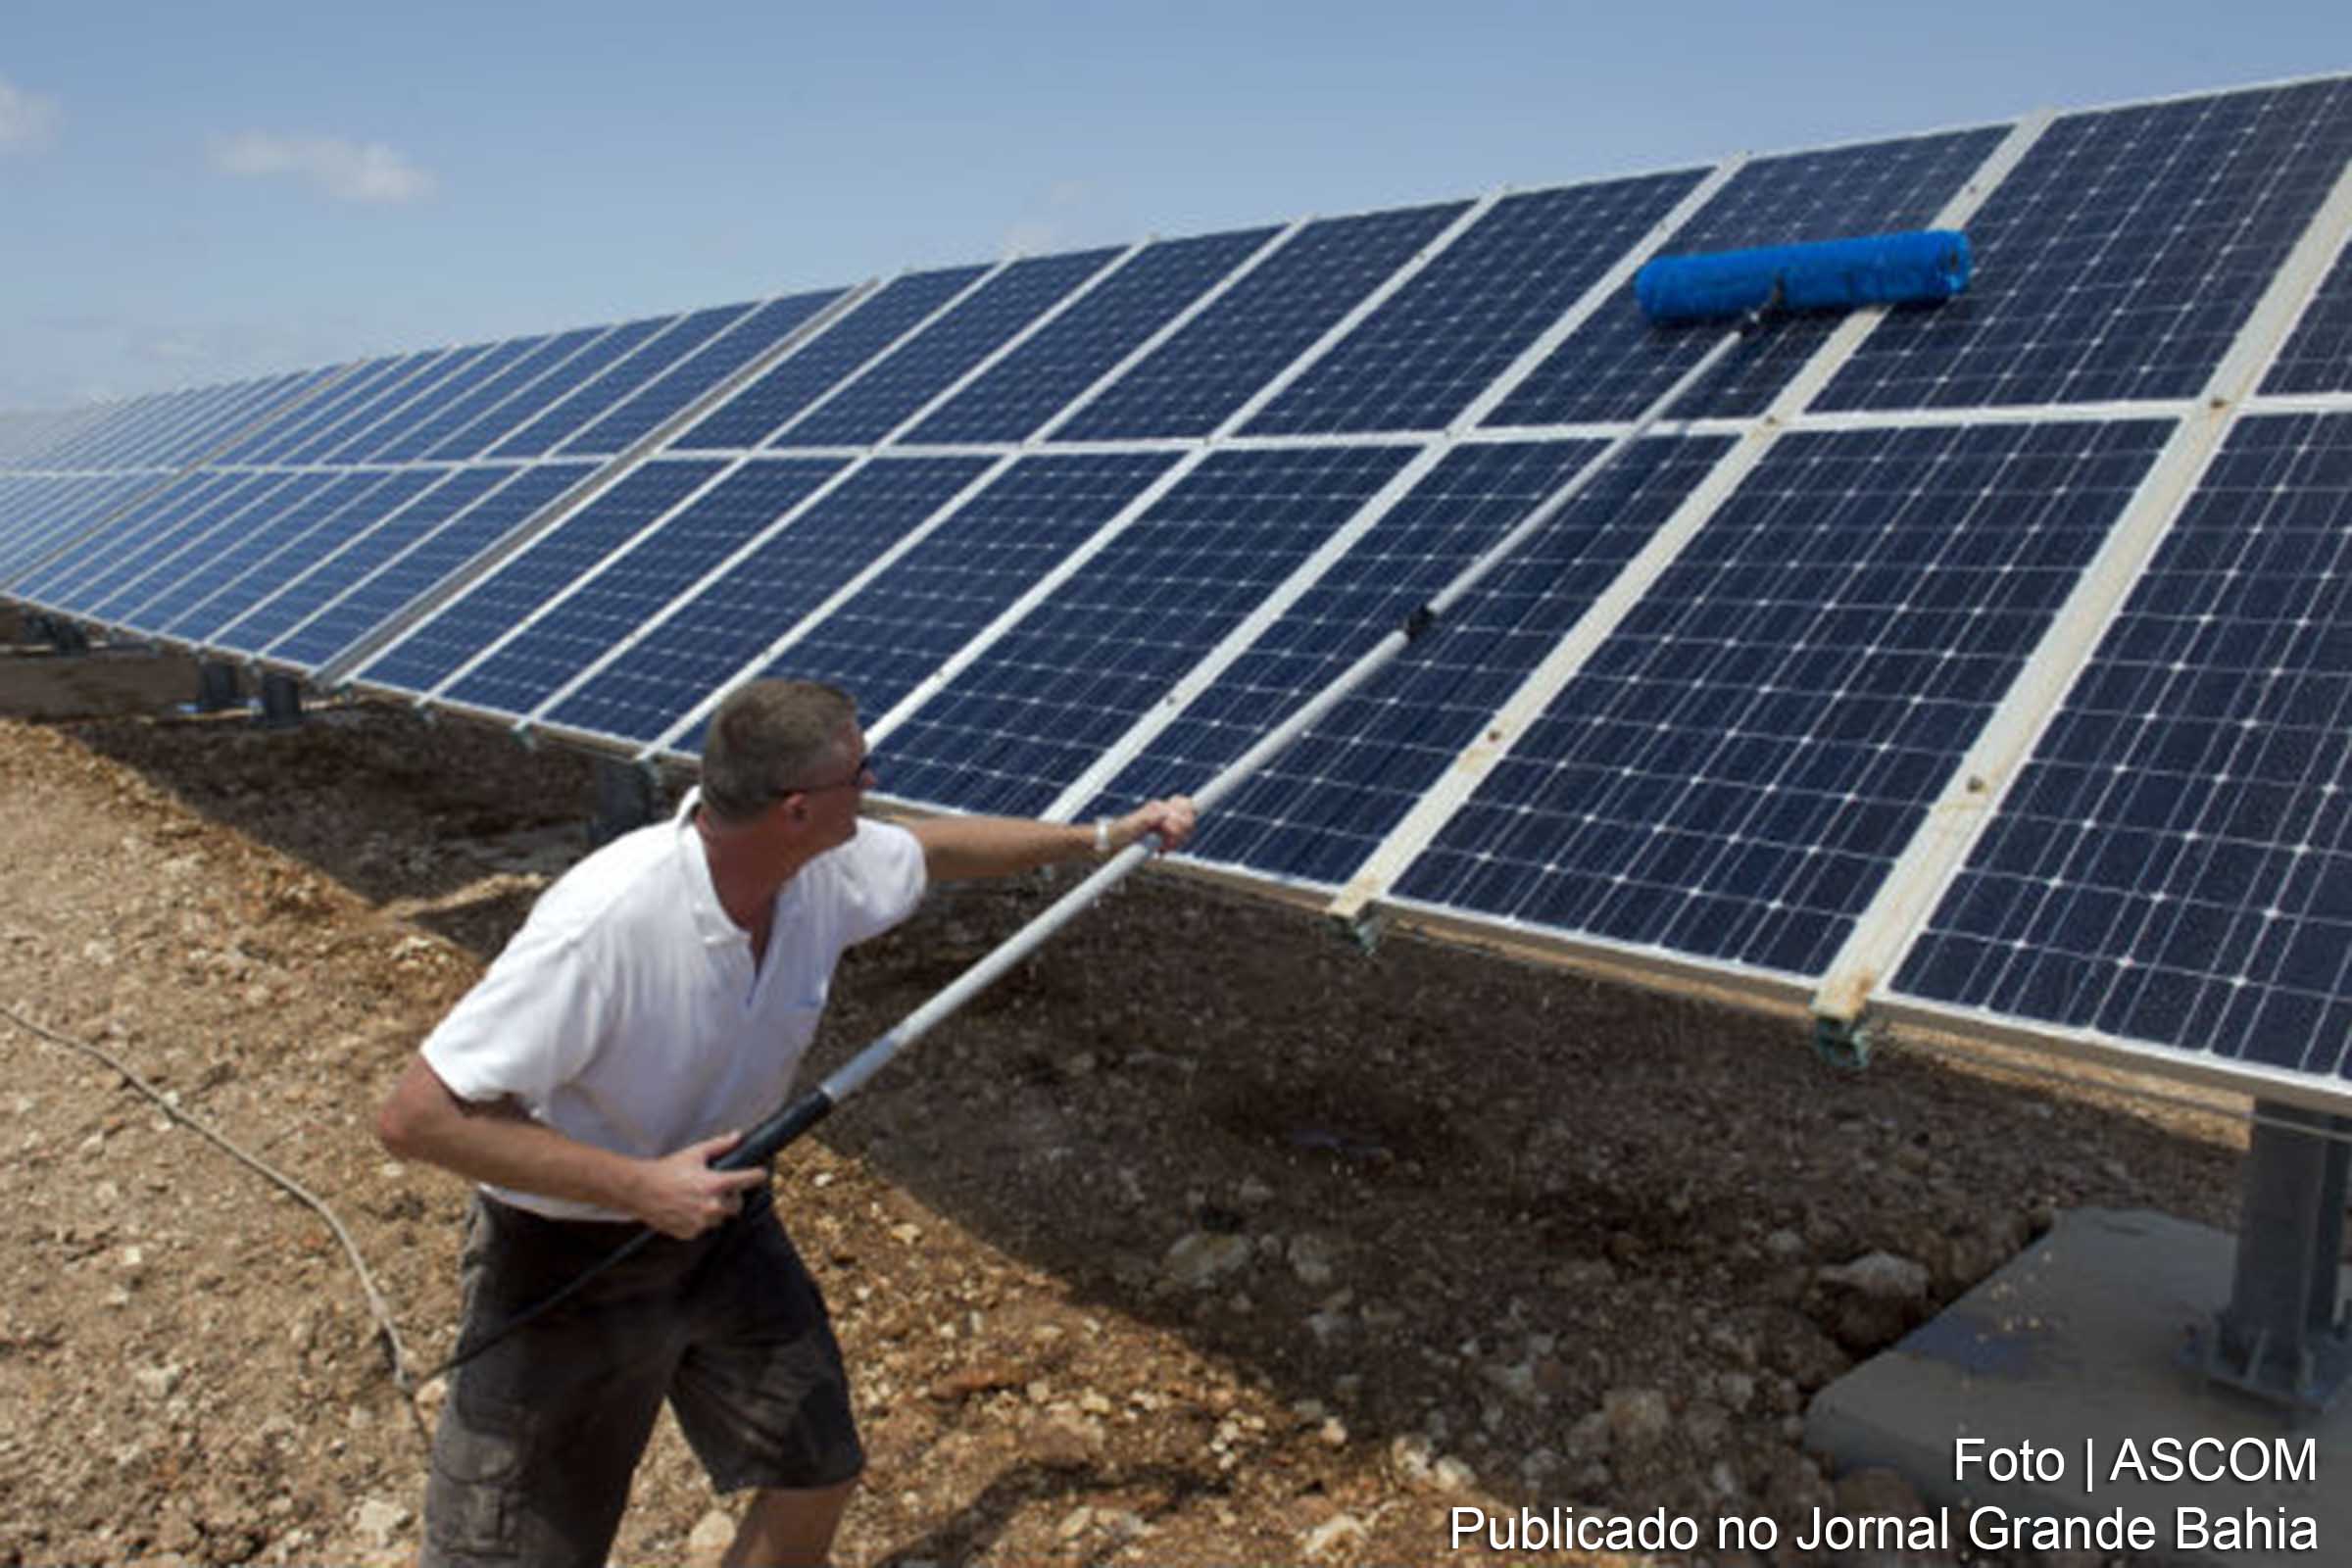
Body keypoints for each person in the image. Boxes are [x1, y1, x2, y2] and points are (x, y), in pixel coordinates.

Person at [376, 678, 1196, 1568]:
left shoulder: (820, 869)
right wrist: (641, 1187)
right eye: (860, 774)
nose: (875, 785)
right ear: (796, 810)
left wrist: (1102, 837)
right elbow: (418, 1116)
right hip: (570, 1256)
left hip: (726, 1222)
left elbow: (933, 851)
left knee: (814, 1469)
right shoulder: (607, 923)